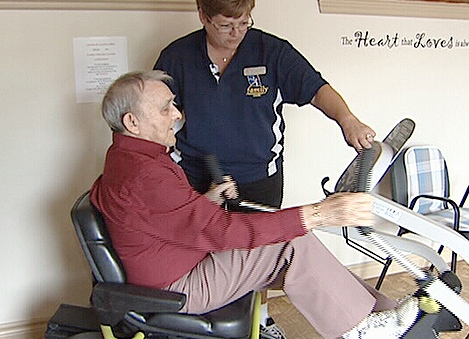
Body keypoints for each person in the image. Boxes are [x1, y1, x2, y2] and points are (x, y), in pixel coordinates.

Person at [90, 71, 421, 339]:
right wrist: (321, 213)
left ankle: (381, 316)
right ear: (132, 122)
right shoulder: (145, 174)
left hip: (182, 263)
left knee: (293, 240)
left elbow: (157, 218)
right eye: (165, 108)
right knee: (290, 241)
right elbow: (221, 232)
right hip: (177, 288)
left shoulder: (127, 157)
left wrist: (205, 201)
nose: (177, 114)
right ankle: (363, 329)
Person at [154, 2, 376, 332]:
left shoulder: (270, 51)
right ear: (203, 16)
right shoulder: (177, 56)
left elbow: (316, 89)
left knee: (266, 250)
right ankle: (205, 324)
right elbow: (157, 111)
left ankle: (263, 320)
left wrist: (347, 120)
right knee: (206, 256)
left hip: (259, 176)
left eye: (243, 23)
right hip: (196, 175)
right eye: (225, 26)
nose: (236, 34)